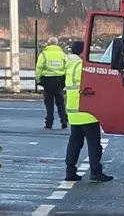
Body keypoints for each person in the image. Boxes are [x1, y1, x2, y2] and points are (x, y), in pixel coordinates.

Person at [64, 41, 113, 182]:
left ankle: (70, 171)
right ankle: (95, 171)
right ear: (82, 51)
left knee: (74, 142)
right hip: (87, 110)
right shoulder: (83, 66)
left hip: (73, 111)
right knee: (93, 143)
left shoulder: (70, 65)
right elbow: (95, 85)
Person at [35, 37, 68, 129]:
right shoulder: (62, 54)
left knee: (49, 103)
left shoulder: (44, 54)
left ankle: (49, 122)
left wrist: (38, 79)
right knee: (60, 102)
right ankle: (64, 121)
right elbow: (67, 66)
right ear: (57, 44)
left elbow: (39, 67)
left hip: (47, 80)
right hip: (60, 80)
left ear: (48, 44)